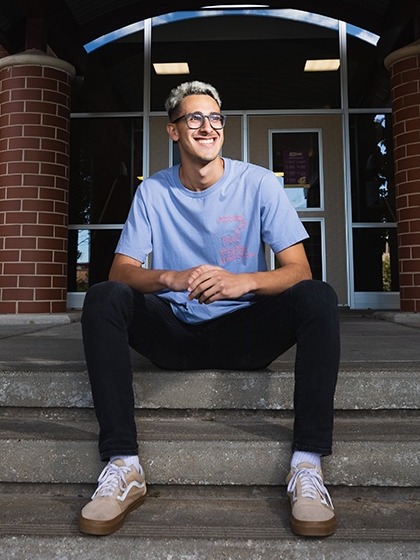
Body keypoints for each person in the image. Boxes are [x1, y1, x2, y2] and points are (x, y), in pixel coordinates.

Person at [79, 81, 340, 538]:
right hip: (175, 334)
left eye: (215, 117)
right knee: (105, 297)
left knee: (318, 296)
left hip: (245, 334)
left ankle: (307, 465)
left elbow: (300, 270)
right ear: (173, 131)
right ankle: (123, 464)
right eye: (194, 118)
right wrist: (171, 278)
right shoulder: (153, 192)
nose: (207, 126)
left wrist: (244, 282)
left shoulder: (258, 182)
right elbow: (121, 272)